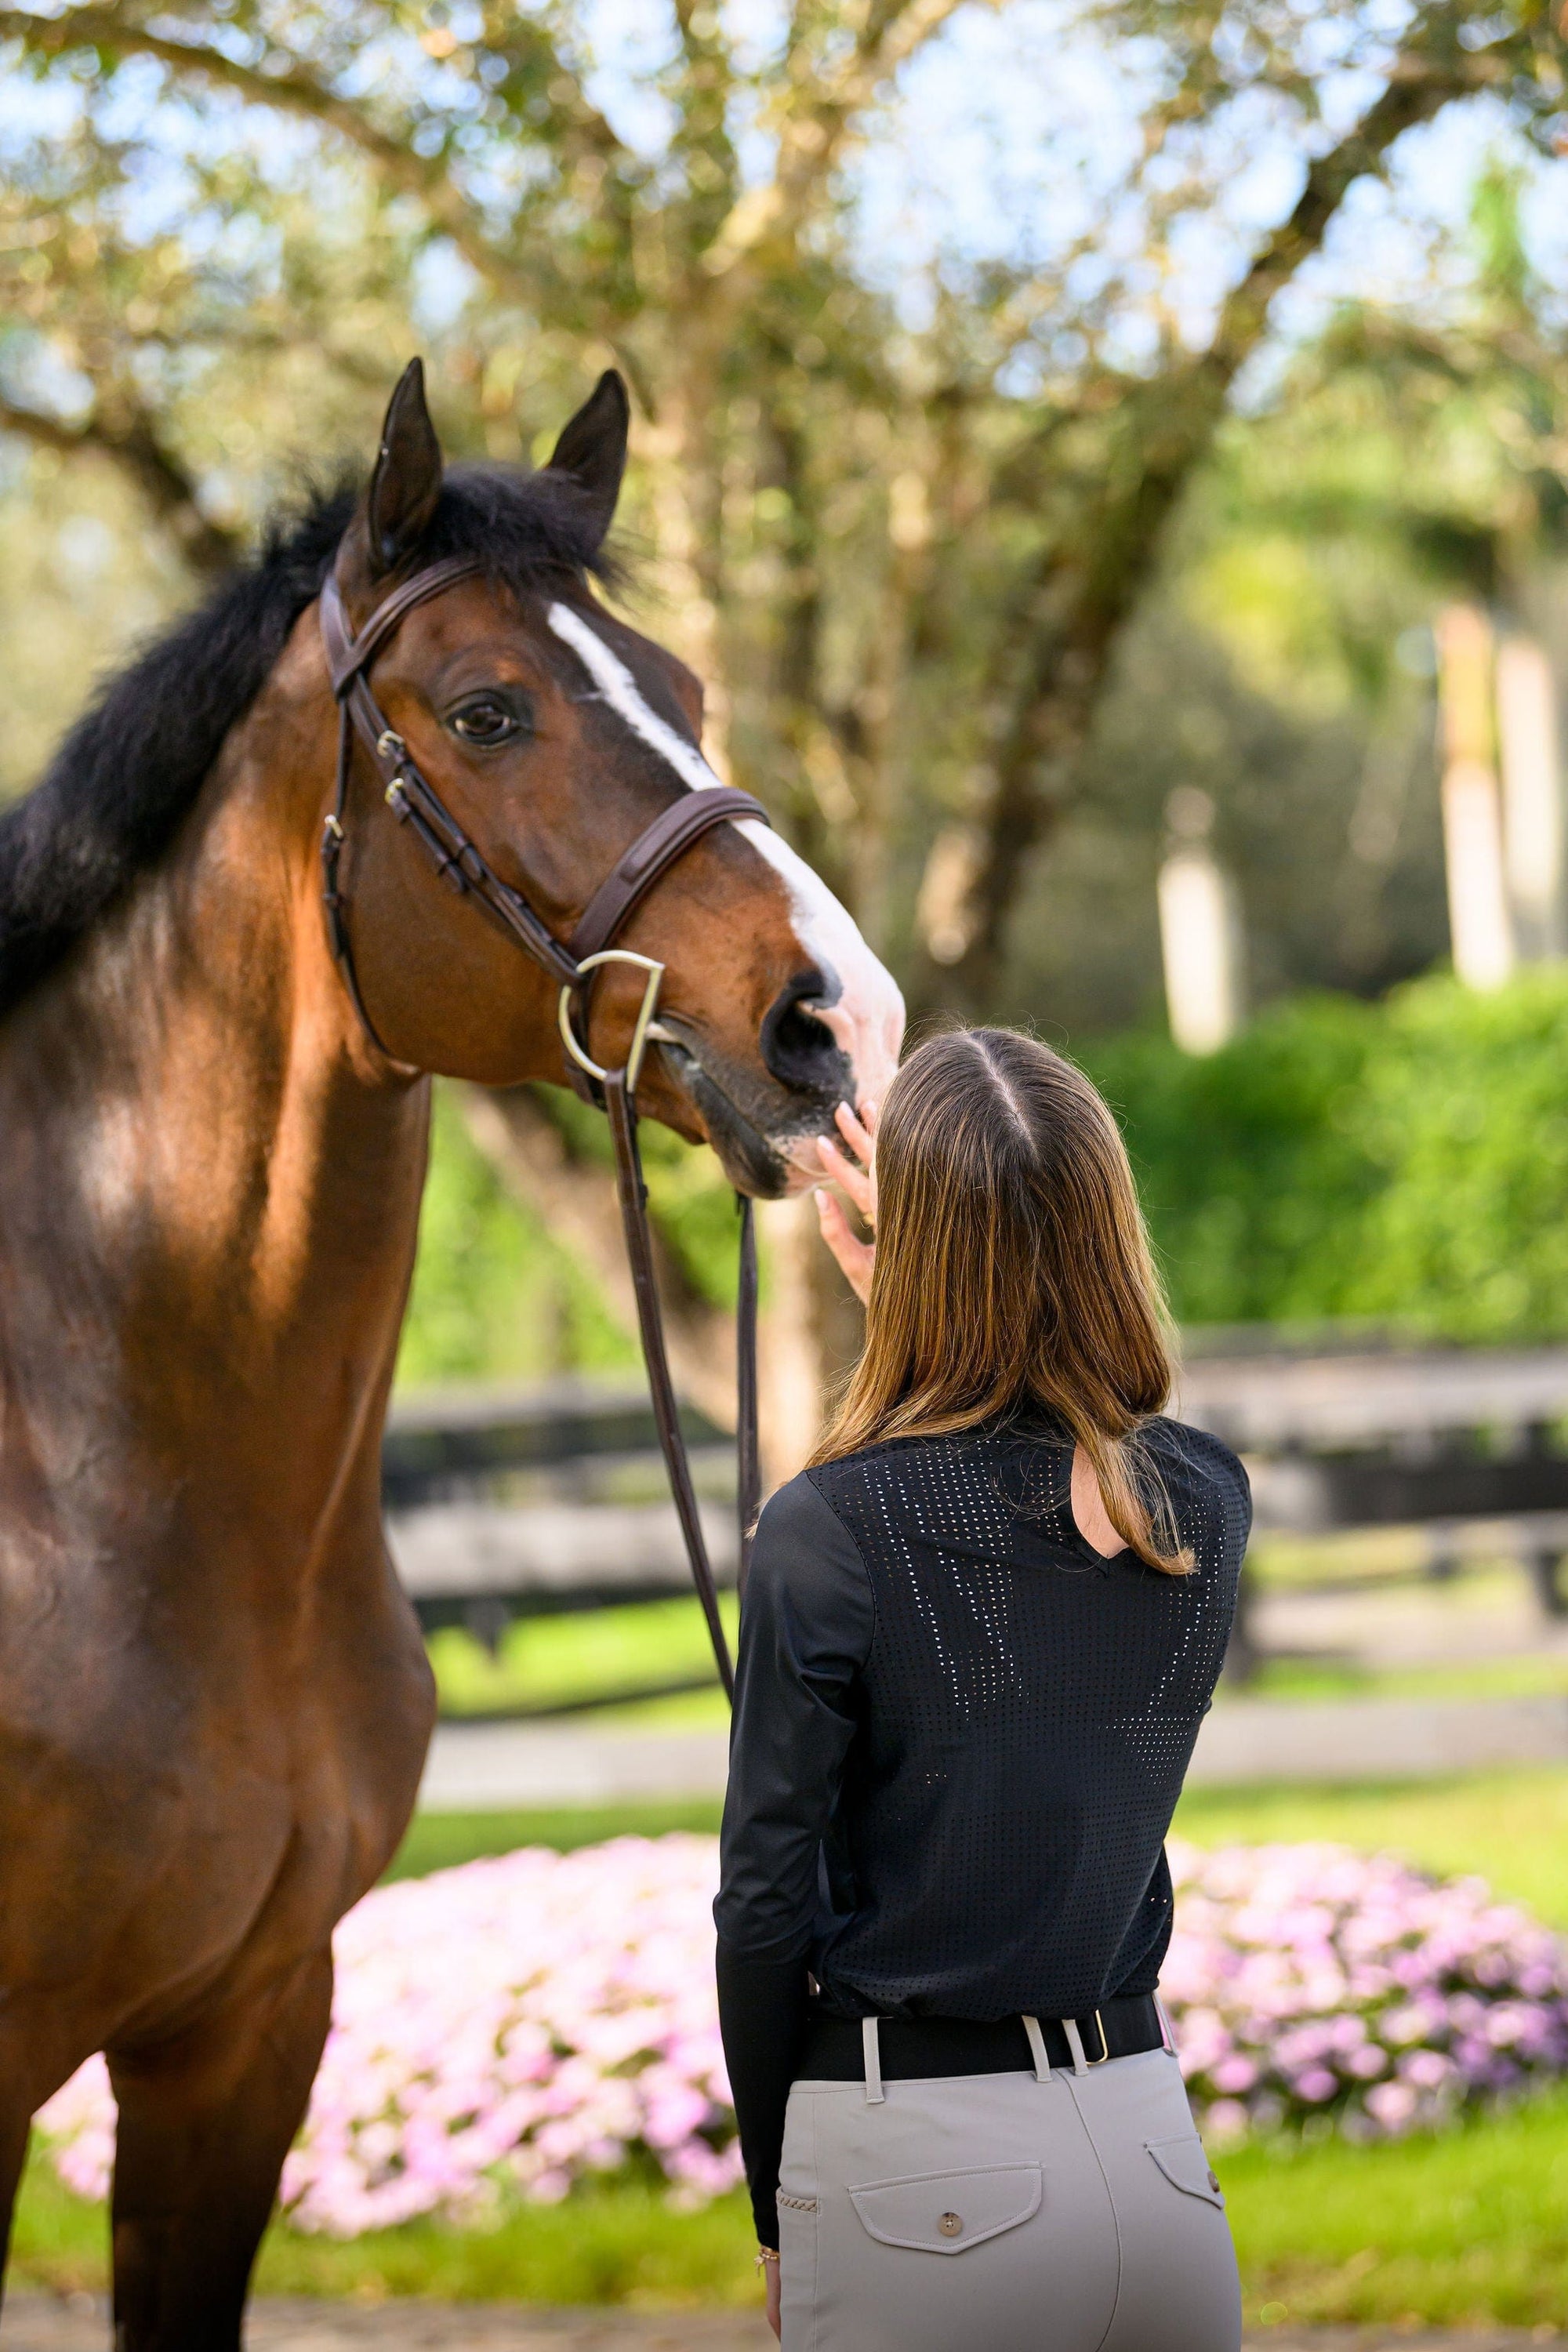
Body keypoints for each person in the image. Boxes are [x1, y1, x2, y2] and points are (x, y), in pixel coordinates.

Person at [713, 1026, 1250, 2352]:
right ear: (1108, 1227)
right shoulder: (1201, 1498)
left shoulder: (830, 1529)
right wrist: (959, 1256)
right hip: (1153, 2162)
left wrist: (781, 2200)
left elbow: (765, 1909)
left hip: (920, 2185)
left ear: (914, 1250)